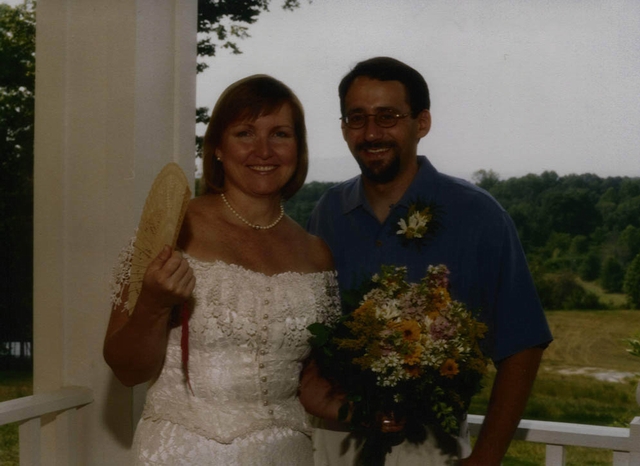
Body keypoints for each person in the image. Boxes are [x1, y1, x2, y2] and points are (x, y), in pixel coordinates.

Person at [307, 57, 553, 465]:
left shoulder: (477, 215)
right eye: (357, 118)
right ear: (344, 127)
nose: (371, 133)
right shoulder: (328, 213)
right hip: (331, 442)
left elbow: (523, 344)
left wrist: (486, 458)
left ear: (421, 123)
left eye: (388, 117)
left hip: (431, 447)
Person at [103, 75, 342, 465]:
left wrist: (378, 406)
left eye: (280, 134)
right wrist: (153, 304)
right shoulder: (171, 230)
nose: (263, 150)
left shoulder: (316, 253)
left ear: (298, 148)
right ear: (217, 147)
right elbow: (126, 370)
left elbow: (309, 383)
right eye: (245, 133)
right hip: (184, 453)